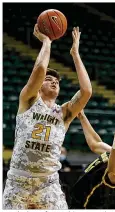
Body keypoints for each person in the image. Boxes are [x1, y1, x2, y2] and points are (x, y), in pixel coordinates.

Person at [3, 25, 92, 209]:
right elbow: (40, 69)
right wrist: (46, 42)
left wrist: (75, 54)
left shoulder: (65, 113)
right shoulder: (28, 101)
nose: (53, 81)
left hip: (48, 183)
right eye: (49, 80)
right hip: (19, 182)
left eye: (57, 81)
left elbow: (86, 91)